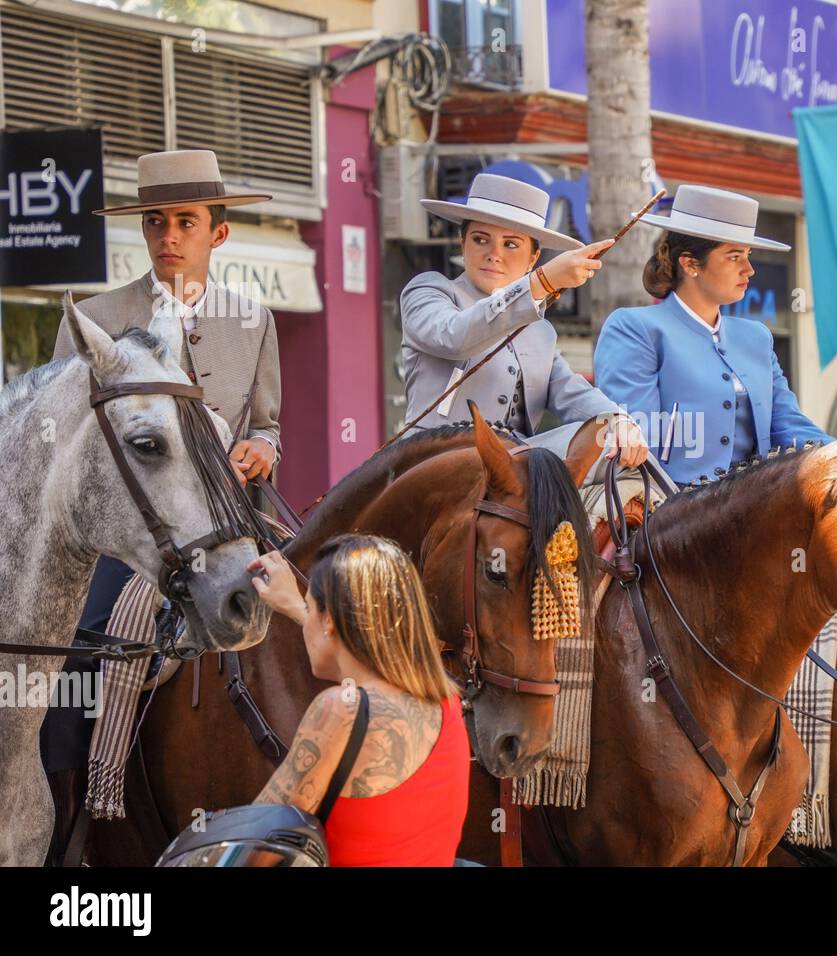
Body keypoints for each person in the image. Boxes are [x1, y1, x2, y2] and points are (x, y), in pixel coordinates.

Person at [49, 148, 283, 635]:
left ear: (218, 233)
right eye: (155, 222)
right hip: (127, 536)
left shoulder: (254, 321)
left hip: (227, 523)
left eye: (185, 222)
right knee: (88, 645)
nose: (168, 236)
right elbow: (58, 439)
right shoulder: (92, 320)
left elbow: (266, 424)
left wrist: (263, 446)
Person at [248, 535, 469, 867]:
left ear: (330, 622)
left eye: (312, 608)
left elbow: (255, 848)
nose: (306, 619)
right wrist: (301, 609)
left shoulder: (340, 710)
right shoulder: (447, 703)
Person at [400, 172, 647, 467]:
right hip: (435, 460)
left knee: (618, 445)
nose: (494, 254)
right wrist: (540, 283)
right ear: (462, 243)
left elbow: (569, 391)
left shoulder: (539, 330)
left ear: (533, 257)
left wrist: (618, 420)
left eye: (511, 244)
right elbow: (454, 336)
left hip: (514, 466)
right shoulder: (430, 290)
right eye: (481, 240)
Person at [593, 184, 831, 486]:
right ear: (690, 264)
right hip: (668, 510)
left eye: (748, 255)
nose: (749, 269)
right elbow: (637, 435)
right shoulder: (635, 328)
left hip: (754, 504)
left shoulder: (756, 337)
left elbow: (787, 424)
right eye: (734, 257)